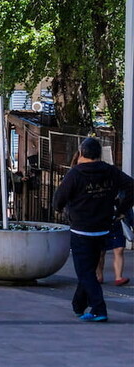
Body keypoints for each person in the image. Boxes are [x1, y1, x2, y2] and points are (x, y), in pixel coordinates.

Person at [53, 137, 134, 322]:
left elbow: (59, 199)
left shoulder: (76, 174)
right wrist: (120, 210)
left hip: (81, 229)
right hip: (103, 227)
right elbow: (131, 186)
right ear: (99, 154)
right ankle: (78, 305)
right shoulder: (110, 171)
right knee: (88, 268)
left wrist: (62, 210)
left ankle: (99, 308)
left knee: (85, 272)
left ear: (81, 153)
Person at [96, 212, 129, 287]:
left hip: (116, 221)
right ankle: (99, 275)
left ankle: (118, 278)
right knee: (100, 252)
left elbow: (127, 203)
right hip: (100, 222)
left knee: (119, 249)